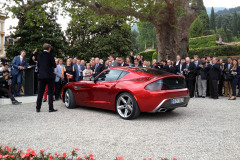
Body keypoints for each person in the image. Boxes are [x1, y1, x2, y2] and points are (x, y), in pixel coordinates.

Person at [36, 43, 57, 112]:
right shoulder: (50, 55)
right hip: (49, 76)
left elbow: (38, 65)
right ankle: (50, 108)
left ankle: (38, 108)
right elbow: (54, 65)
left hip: (41, 76)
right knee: (50, 92)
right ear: (49, 49)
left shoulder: (39, 55)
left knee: (40, 92)